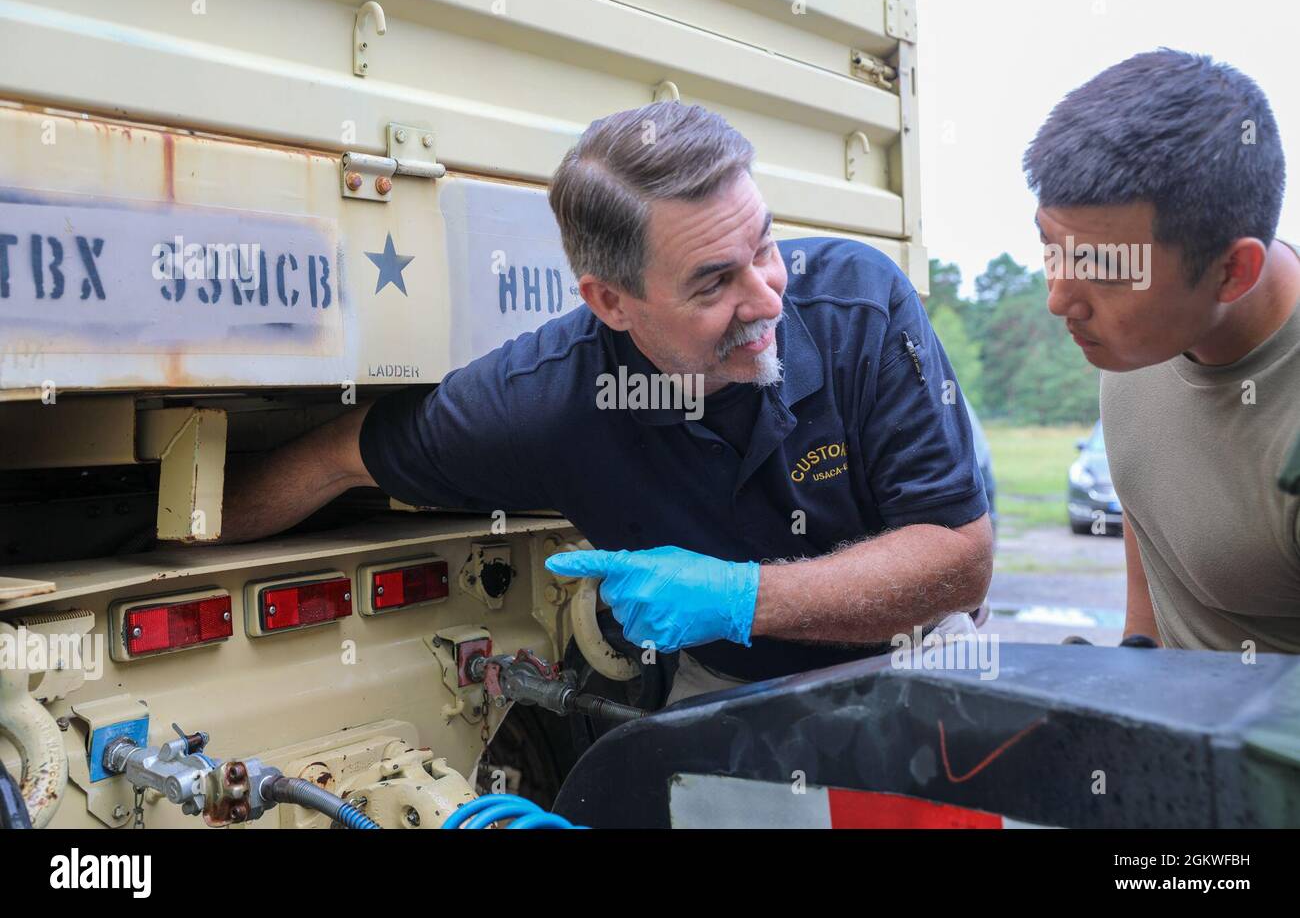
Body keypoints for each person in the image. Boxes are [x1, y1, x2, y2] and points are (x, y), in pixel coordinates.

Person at [222, 101, 993, 700]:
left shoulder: (863, 307)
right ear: (612, 303)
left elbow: (959, 561)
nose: (766, 301)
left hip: (916, 656)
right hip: (728, 688)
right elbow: (334, 457)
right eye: (714, 281)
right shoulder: (545, 400)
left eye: (764, 246)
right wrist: (174, 537)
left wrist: (739, 596)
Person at [1024, 49, 1300, 653]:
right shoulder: (1137, 341)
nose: (1060, 297)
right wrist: (1137, 660)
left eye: (1102, 267)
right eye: (1050, 245)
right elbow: (1149, 512)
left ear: (1232, 271)